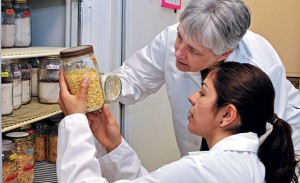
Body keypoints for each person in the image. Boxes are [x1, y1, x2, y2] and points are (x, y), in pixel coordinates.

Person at [113, 0, 300, 156]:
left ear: (224, 53)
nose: (178, 52)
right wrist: (98, 88)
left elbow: (265, 138)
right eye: (180, 36)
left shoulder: (259, 68)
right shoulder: (180, 35)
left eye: (193, 50)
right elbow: (134, 77)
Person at [57, 62, 299, 183]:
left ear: (227, 115)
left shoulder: (207, 169)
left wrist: (76, 122)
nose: (191, 97)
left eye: (203, 93)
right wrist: (115, 147)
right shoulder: (246, 161)